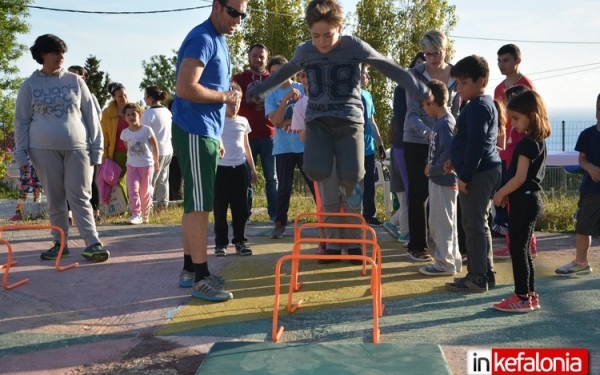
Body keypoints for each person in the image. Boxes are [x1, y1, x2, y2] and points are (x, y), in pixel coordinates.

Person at [247, 1, 431, 258]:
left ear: (340, 28)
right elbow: (286, 71)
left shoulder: (353, 46)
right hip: (318, 121)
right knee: (317, 171)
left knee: (352, 174)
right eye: (315, 36)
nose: (321, 42)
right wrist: (259, 90)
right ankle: (333, 239)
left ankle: (353, 230)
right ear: (309, 31)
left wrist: (419, 88)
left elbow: (385, 65)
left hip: (349, 121)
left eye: (328, 35)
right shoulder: (305, 51)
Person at [172, 0, 247, 301]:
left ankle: (191, 270)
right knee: (201, 205)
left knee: (194, 202)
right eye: (233, 12)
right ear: (217, 6)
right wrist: (225, 95)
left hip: (204, 132)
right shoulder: (203, 38)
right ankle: (201, 276)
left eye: (242, 15)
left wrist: (226, 106)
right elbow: (185, 87)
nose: (237, 20)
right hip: (195, 129)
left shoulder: (218, 40)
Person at [13, 34, 109, 262]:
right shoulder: (29, 85)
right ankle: (60, 243)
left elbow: (91, 116)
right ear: (42, 55)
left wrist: (97, 149)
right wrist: (21, 155)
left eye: (62, 52)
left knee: (80, 197)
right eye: (55, 52)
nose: (60, 57)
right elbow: (21, 121)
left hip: (78, 148)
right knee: (55, 198)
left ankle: (93, 243)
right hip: (42, 149)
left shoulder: (76, 81)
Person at [444, 55, 502, 293]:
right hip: (483, 169)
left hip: (478, 173)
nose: (459, 88)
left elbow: (477, 144)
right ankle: (485, 273)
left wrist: (465, 175)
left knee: (473, 225)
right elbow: (470, 140)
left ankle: (477, 277)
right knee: (481, 224)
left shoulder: (478, 106)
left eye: (464, 82)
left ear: (481, 81)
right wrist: (455, 160)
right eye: (457, 83)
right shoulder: (479, 105)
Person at [492, 90, 550, 312]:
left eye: (516, 118)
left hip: (523, 202)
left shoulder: (526, 144)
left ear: (532, 115)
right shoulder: (538, 142)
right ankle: (530, 295)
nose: (512, 124)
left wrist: (500, 193)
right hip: (531, 200)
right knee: (523, 249)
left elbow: (519, 177)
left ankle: (522, 297)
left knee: (518, 249)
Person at [403, 30, 459, 262]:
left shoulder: (457, 74)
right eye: (427, 54)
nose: (432, 59)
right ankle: (417, 244)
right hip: (417, 140)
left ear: (446, 50)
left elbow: (456, 111)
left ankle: (452, 246)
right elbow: (412, 114)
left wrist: (449, 137)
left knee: (448, 191)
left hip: (445, 138)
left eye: (436, 53)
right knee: (418, 193)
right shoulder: (414, 75)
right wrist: (431, 134)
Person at [265, 56, 315, 239]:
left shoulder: (304, 86)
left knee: (314, 184)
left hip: (304, 146)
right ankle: (279, 223)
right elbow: (276, 121)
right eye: (273, 73)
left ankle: (325, 218)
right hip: (283, 147)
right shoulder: (271, 94)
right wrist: (286, 98)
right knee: (284, 187)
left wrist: (292, 121)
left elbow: (311, 113)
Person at [491, 44, 536, 239]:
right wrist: (499, 147)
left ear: (518, 61)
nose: (501, 64)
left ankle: (526, 242)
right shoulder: (498, 89)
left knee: (520, 196)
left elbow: (534, 116)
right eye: (499, 60)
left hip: (521, 147)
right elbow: (500, 121)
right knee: (506, 197)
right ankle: (511, 241)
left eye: (506, 60)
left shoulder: (527, 85)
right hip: (505, 149)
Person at [555, 93, 600, 277]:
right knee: (583, 228)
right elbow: (581, 158)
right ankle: (581, 263)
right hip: (591, 190)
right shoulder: (587, 134)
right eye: (599, 108)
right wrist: (590, 167)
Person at [418, 79, 461, 276]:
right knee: (445, 223)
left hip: (442, 180)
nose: (424, 108)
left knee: (440, 223)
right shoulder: (440, 122)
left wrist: (432, 169)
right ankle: (452, 260)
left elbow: (447, 154)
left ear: (433, 102)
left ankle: (444, 263)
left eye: (425, 104)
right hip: (439, 180)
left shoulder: (445, 123)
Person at [233, 43, 278, 222]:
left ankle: (275, 215)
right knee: (246, 177)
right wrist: (252, 100)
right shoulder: (239, 78)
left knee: (272, 178)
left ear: (266, 59)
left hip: (269, 135)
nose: (258, 59)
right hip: (246, 136)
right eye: (255, 55)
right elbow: (234, 101)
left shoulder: (273, 78)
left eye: (261, 56)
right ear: (249, 57)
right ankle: (245, 214)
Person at [213, 82, 257, 256]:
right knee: (220, 208)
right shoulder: (217, 121)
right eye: (231, 103)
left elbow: (246, 145)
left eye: (237, 102)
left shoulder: (243, 121)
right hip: (221, 169)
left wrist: (252, 168)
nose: (235, 106)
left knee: (241, 208)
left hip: (240, 168)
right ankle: (220, 244)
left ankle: (240, 241)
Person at [386, 52, 425, 243]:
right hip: (405, 144)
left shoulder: (435, 88)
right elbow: (402, 117)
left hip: (426, 144)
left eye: (424, 63)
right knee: (410, 192)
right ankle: (407, 233)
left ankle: (397, 225)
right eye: (418, 64)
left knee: (420, 193)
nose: (422, 67)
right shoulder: (402, 89)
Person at [67, 65, 102, 224]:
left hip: (86, 145)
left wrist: (96, 147)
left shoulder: (90, 97)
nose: (71, 78)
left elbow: (96, 120)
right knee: (66, 181)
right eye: (69, 75)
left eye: (75, 75)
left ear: (84, 78)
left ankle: (95, 210)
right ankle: (68, 213)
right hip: (67, 145)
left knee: (90, 181)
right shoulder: (63, 95)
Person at [120, 103, 160, 225]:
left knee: (145, 191)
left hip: (146, 165)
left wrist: (156, 160)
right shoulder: (125, 133)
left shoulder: (146, 130)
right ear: (125, 117)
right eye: (128, 115)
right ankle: (136, 214)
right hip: (132, 165)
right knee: (133, 189)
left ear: (140, 115)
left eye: (133, 114)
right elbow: (127, 147)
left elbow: (155, 145)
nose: (131, 117)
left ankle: (145, 214)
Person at [360, 64, 386, 226]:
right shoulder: (346, 94)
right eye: (365, 73)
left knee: (369, 184)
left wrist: (380, 144)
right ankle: (352, 215)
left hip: (368, 148)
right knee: (352, 185)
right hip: (350, 149)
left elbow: (372, 121)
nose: (367, 76)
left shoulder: (368, 95)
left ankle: (369, 214)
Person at [141, 86, 173, 211]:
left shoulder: (148, 114)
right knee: (163, 179)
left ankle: (146, 207)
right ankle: (162, 205)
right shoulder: (167, 111)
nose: (144, 98)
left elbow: (144, 134)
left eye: (145, 96)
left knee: (150, 180)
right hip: (168, 150)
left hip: (154, 152)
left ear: (150, 98)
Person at [100, 82, 131, 206]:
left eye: (125, 95)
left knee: (136, 180)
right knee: (118, 180)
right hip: (117, 152)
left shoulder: (136, 109)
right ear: (113, 97)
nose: (123, 98)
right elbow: (105, 136)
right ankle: (123, 206)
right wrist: (105, 155)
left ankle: (136, 206)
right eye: (119, 96)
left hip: (135, 150)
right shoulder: (107, 114)